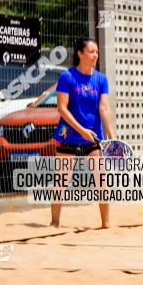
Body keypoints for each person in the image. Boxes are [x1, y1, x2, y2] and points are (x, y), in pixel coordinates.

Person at [50, 38, 115, 229]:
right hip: (68, 133)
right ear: (80, 53)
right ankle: (54, 223)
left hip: (93, 135)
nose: (95, 55)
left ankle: (106, 224)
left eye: (97, 52)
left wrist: (111, 135)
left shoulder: (101, 79)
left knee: (101, 178)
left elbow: (104, 108)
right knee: (62, 178)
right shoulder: (67, 77)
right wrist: (81, 130)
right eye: (91, 51)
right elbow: (62, 109)